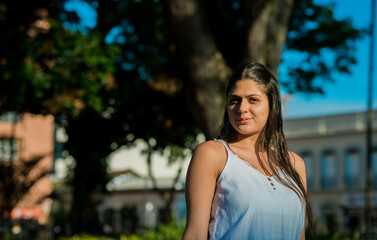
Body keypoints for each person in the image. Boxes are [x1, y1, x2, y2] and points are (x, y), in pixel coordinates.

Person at [182, 61, 312, 240]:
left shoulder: (295, 164)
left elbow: (300, 236)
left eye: (253, 99)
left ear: (271, 105)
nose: (242, 108)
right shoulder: (213, 154)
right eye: (234, 100)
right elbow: (195, 234)